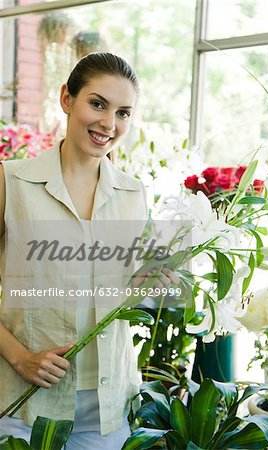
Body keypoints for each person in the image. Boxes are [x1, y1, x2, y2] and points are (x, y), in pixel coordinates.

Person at [0, 52, 178, 449]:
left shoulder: (134, 194)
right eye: (97, 104)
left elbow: (124, 293)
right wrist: (19, 357)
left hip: (106, 409)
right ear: (67, 99)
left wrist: (153, 282)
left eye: (123, 113)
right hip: (23, 406)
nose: (108, 123)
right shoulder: (10, 182)